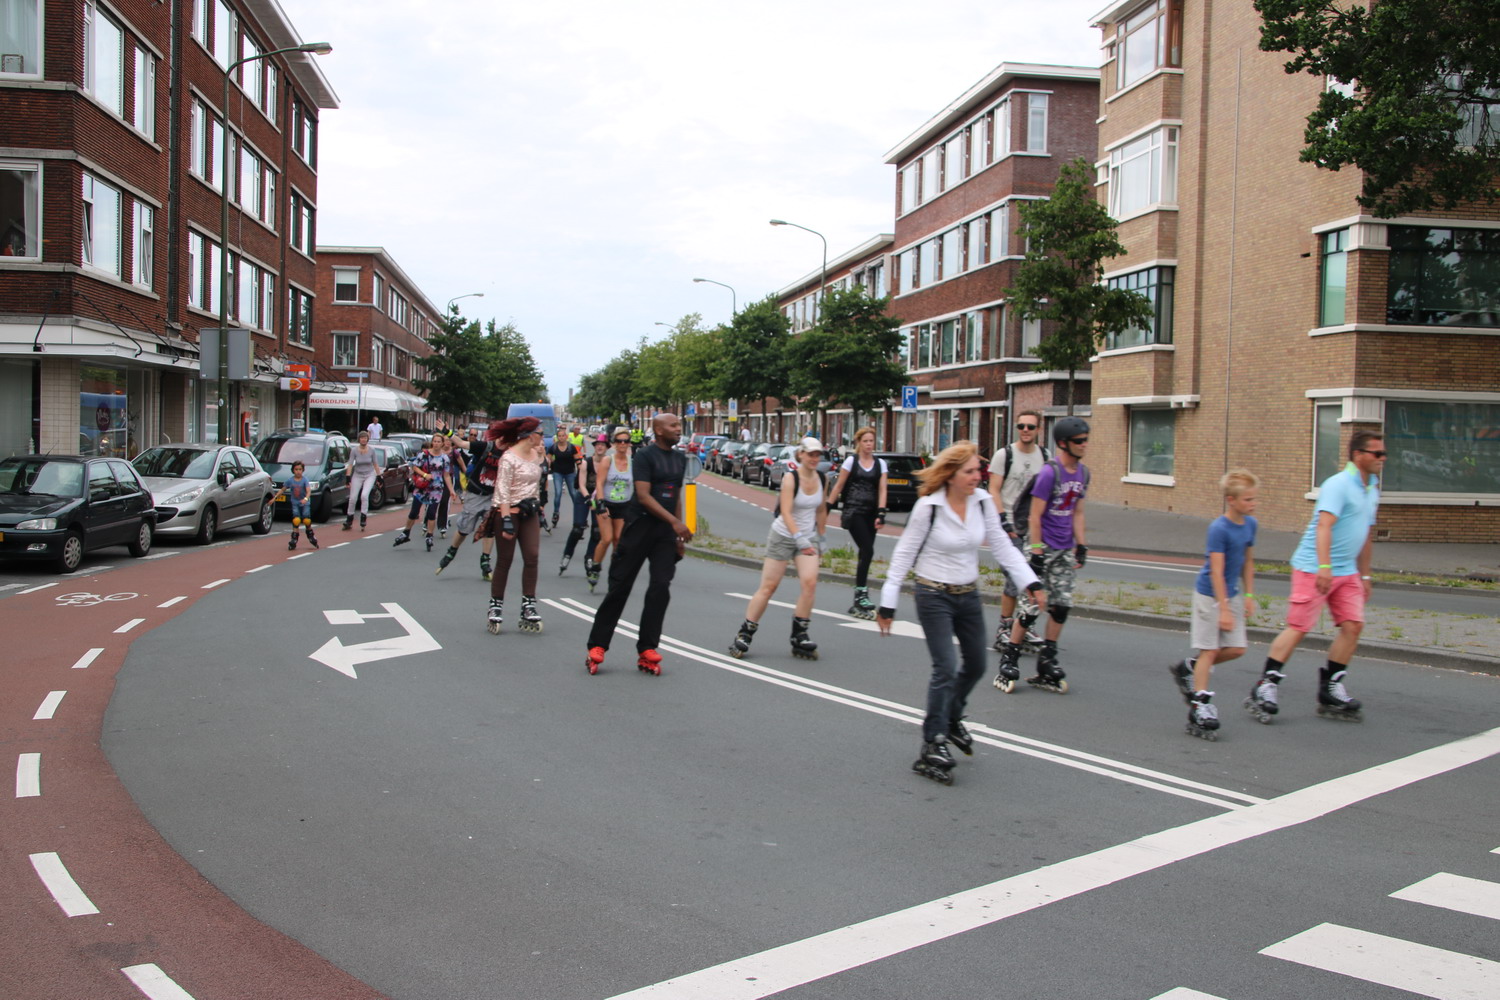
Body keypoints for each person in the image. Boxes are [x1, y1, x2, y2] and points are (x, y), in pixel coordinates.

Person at [876, 441, 1045, 785]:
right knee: (945, 667)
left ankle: (951, 716)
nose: (977, 476)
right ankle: (932, 741)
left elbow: (1003, 546)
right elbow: (905, 552)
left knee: (978, 664)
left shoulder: (982, 502)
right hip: (933, 594)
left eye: (978, 470)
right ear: (951, 474)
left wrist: (1031, 581)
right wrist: (888, 600)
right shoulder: (929, 507)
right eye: (969, 471)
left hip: (967, 594)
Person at [1250, 431, 1383, 722]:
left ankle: (1330, 688)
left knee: (1353, 626)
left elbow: (1366, 534)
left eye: (1383, 453)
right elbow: (1324, 526)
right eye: (1377, 453)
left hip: (1347, 570)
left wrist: (1365, 576)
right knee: (1299, 627)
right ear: (1358, 455)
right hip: (1314, 566)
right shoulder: (1338, 484)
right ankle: (1265, 685)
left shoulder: (1372, 488)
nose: (1382, 458)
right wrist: (1324, 567)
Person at [585, 412, 693, 676]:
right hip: (639, 527)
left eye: (679, 425)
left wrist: (678, 534)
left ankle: (647, 648)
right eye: (673, 425)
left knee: (660, 587)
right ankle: (598, 645)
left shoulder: (679, 459)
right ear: (658, 430)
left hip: (664, 534)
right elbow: (643, 496)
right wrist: (676, 523)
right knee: (620, 586)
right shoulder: (644, 456)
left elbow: (676, 496)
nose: (678, 429)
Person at [1169, 470, 1260, 739]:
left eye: (1254, 499)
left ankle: (1190, 667)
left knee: (1238, 648)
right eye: (1247, 500)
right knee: (1209, 650)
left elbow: (1248, 562)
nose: (1253, 504)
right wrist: (1223, 609)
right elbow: (1217, 572)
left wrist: (1250, 596)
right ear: (1231, 500)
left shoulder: (1250, 525)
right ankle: (1200, 705)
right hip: (1210, 596)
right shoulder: (1219, 529)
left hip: (1232, 594)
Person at [1009, 415, 1091, 694]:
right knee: (1031, 608)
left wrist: (1082, 545)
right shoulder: (1049, 473)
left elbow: (1077, 512)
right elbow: (1035, 515)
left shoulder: (1083, 473)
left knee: (1061, 606)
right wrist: (1036, 552)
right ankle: (1010, 658)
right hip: (1042, 546)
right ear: (1063, 443)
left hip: (1064, 549)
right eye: (1079, 441)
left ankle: (1047, 659)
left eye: (1086, 440)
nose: (1084, 444)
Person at [729, 437, 830, 660]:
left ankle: (799, 634)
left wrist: (821, 538)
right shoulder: (790, 478)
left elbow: (821, 509)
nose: (814, 458)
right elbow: (785, 511)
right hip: (783, 536)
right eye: (810, 454)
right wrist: (799, 538)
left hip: (808, 537)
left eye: (817, 455)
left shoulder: (822, 479)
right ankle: (746, 632)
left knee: (810, 583)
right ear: (801, 454)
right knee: (769, 587)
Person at [987, 410, 1049, 652]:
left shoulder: (1045, 456)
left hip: (1034, 527)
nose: (1025, 430)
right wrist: (1003, 520)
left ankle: (1023, 626)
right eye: (1021, 426)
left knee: (1033, 578)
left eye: (1030, 427)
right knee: (1014, 578)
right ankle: (1005, 626)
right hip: (1011, 525)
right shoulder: (1005, 455)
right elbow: (994, 489)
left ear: (1038, 430)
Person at [486, 418, 547, 634]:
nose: (543, 437)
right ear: (530, 435)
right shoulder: (509, 458)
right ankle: (495, 605)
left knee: (532, 557)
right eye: (540, 433)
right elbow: (502, 490)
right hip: (509, 512)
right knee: (505, 560)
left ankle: (528, 604)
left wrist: (539, 508)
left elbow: (536, 485)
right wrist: (505, 519)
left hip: (529, 512)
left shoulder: (537, 454)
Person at [825, 426, 887, 620]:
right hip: (853, 512)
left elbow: (883, 489)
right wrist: (827, 507)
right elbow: (839, 485)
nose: (869, 444)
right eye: (865, 441)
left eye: (871, 441)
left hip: (871, 513)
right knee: (868, 550)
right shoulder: (851, 461)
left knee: (864, 553)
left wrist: (881, 512)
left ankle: (858, 599)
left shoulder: (880, 464)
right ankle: (861, 593)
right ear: (859, 443)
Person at [435, 424, 501, 580]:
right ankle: (452, 551)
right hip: (475, 494)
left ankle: (485, 561)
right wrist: (447, 432)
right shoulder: (485, 446)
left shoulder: (509, 453)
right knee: (465, 528)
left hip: (492, 496)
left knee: (489, 528)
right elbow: (461, 443)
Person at [392, 434, 457, 552]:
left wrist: (452, 490)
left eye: (439, 442)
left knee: (432, 513)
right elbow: (415, 467)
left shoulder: (445, 458)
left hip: (436, 489)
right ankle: (406, 533)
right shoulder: (424, 454)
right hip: (422, 487)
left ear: (442, 443)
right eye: (435, 441)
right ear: (432, 442)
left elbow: (446, 475)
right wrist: (425, 474)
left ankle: (429, 536)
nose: (436, 444)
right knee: (414, 512)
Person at [590, 429, 635, 591]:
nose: (622, 444)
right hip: (607, 504)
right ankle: (595, 566)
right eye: (619, 441)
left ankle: (614, 574)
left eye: (625, 441)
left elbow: (637, 485)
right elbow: (599, 483)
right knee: (607, 538)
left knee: (618, 541)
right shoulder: (608, 460)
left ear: (629, 444)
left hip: (624, 505)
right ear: (615, 444)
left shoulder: (632, 462)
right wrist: (601, 503)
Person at [561, 435, 608, 576]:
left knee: (597, 531)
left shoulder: (608, 464)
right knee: (578, 529)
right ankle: (567, 554)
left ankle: (589, 557)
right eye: (597, 444)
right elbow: (581, 484)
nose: (600, 447)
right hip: (584, 495)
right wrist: (588, 497)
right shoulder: (586, 463)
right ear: (594, 447)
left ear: (607, 448)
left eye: (603, 445)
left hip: (599, 497)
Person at [343, 430, 380, 531]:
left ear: (367, 439)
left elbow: (376, 464)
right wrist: (348, 477)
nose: (363, 440)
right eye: (362, 438)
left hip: (369, 475)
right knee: (353, 498)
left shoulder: (372, 450)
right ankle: (349, 519)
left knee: (364, 495)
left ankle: (363, 517)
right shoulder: (354, 450)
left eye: (365, 438)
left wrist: (379, 476)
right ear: (359, 439)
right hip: (358, 475)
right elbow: (350, 464)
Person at [277, 461, 318, 550]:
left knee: (306, 520)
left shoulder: (305, 480)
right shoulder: (290, 480)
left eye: (300, 469)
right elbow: (283, 489)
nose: (298, 471)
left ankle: (311, 535)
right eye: (296, 469)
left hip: (305, 503)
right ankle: (294, 539)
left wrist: (306, 499)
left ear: (303, 470)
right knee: (296, 520)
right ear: (293, 470)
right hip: (295, 503)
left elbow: (308, 491)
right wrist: (274, 498)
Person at [548, 430, 580, 531]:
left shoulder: (571, 447)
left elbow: (577, 460)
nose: (561, 438)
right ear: (557, 437)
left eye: (563, 436)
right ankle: (556, 513)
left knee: (573, 494)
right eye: (559, 436)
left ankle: (579, 515)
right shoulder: (554, 447)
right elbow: (548, 459)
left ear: (566, 437)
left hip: (570, 473)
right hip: (558, 473)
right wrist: (549, 465)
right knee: (558, 493)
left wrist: (581, 472)